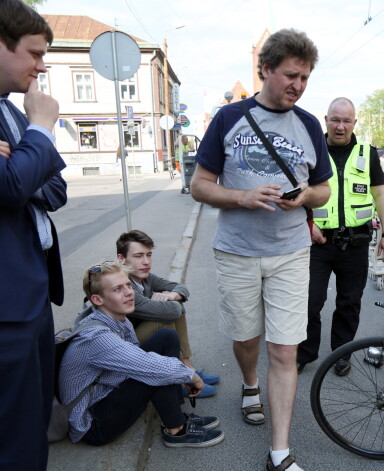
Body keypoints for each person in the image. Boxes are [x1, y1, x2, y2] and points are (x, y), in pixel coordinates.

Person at [191, 28, 332, 471]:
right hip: (237, 250)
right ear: (266, 69)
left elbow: (325, 189)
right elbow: (199, 186)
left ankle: (280, 452)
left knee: (285, 349)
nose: (298, 85)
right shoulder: (228, 118)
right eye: (291, 75)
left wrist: (305, 196)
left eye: (305, 78)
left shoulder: (309, 124)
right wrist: (242, 197)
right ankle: (249, 384)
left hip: (291, 250)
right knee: (246, 338)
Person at [0, 2, 67, 469]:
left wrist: (22, 160)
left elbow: (54, 186)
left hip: (32, 292)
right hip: (6, 304)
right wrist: (41, 129)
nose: (41, 65)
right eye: (34, 53)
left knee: (36, 415)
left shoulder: (11, 112)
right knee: (15, 432)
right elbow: (10, 188)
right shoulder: (31, 114)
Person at [59, 261, 225, 448]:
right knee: (155, 368)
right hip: (94, 423)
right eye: (117, 289)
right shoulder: (97, 337)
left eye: (128, 285)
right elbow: (148, 364)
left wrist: (177, 372)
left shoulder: (118, 318)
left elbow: (139, 359)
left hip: (107, 392)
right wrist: (190, 375)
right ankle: (177, 430)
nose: (129, 292)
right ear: (98, 300)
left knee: (166, 337)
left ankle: (174, 414)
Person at [297, 97, 384, 376]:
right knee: (310, 301)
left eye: (346, 121)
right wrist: (308, 222)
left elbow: (381, 194)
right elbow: (298, 190)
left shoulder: (367, 152)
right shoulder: (312, 151)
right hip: (318, 242)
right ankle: (305, 353)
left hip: (356, 242)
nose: (340, 126)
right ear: (326, 120)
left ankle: (342, 353)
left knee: (349, 303)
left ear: (354, 122)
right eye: (335, 120)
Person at [116, 230, 219, 397]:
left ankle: (186, 366)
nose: (146, 261)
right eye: (138, 256)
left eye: (149, 255)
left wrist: (172, 295)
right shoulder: (124, 285)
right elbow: (174, 310)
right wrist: (172, 301)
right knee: (167, 316)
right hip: (124, 350)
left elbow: (181, 287)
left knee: (173, 306)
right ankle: (182, 379)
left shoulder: (144, 277)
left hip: (137, 336)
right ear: (121, 259)